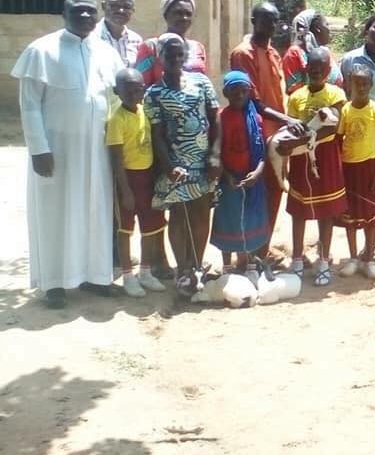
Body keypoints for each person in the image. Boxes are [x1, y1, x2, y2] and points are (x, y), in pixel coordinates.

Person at [12, 0, 124, 308]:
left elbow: (117, 98)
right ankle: (54, 283)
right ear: (65, 13)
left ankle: (95, 276)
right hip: (56, 149)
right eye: (79, 11)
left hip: (96, 149)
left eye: (91, 11)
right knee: (54, 213)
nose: (86, 16)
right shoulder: (41, 50)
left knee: (95, 209)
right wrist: (38, 149)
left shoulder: (105, 52)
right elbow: (30, 105)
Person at [144, 33, 220, 276]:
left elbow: (215, 119)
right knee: (178, 215)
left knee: (201, 212)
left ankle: (197, 265)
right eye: (170, 54)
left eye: (180, 54)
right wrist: (168, 167)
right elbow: (157, 134)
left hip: (203, 161)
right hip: (176, 165)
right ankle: (183, 269)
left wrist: (215, 155)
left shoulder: (201, 82)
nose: (176, 58)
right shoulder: (154, 94)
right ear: (160, 58)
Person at [229, 2, 299, 260]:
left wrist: (286, 122)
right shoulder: (243, 53)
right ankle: (246, 254)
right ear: (253, 20)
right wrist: (287, 119)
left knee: (274, 189)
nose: (271, 26)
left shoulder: (273, 53)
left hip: (277, 135)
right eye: (266, 20)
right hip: (255, 134)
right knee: (254, 194)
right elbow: (252, 100)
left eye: (275, 21)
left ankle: (262, 249)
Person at [283, 47, 347, 285]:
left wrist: (306, 138)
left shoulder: (336, 94)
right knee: (299, 209)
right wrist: (297, 141)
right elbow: (292, 125)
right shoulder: (296, 96)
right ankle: (297, 258)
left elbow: (332, 126)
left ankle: (323, 260)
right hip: (300, 157)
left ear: (328, 70)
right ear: (306, 69)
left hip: (326, 155)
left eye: (320, 69)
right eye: (312, 69)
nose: (316, 72)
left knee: (326, 210)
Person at [106, 68, 167, 297]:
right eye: (128, 90)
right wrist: (125, 191)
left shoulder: (145, 112)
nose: (133, 94)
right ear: (117, 91)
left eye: (138, 89)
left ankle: (146, 271)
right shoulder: (116, 119)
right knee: (125, 229)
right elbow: (116, 158)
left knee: (150, 227)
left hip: (147, 177)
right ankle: (128, 275)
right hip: (128, 179)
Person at [211, 71, 271, 284]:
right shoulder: (220, 117)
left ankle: (251, 265)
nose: (239, 95)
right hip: (229, 182)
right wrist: (226, 176)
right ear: (226, 93)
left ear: (249, 92)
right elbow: (217, 151)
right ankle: (227, 266)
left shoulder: (256, 119)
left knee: (252, 220)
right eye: (234, 91)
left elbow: (263, 153)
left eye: (244, 91)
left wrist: (257, 173)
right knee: (229, 220)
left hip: (253, 180)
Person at [337, 64, 375, 281]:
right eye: (356, 83)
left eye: (365, 83)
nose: (360, 87)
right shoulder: (345, 110)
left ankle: (369, 258)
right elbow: (339, 140)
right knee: (350, 217)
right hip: (349, 169)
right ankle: (352, 258)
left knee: (370, 217)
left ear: (371, 85)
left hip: (369, 169)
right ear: (349, 83)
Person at [135, 0, 207, 87]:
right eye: (178, 13)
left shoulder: (197, 47)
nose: (184, 18)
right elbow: (141, 86)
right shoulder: (151, 47)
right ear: (166, 15)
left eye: (188, 14)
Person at [283, 9, 344, 94]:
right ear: (318, 28)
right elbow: (293, 90)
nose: (329, 29)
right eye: (326, 24)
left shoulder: (325, 51)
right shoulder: (294, 53)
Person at [95, 0, 142, 67]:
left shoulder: (136, 40)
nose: (121, 11)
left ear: (132, 11)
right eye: (115, 5)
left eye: (127, 7)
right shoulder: (92, 36)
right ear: (104, 6)